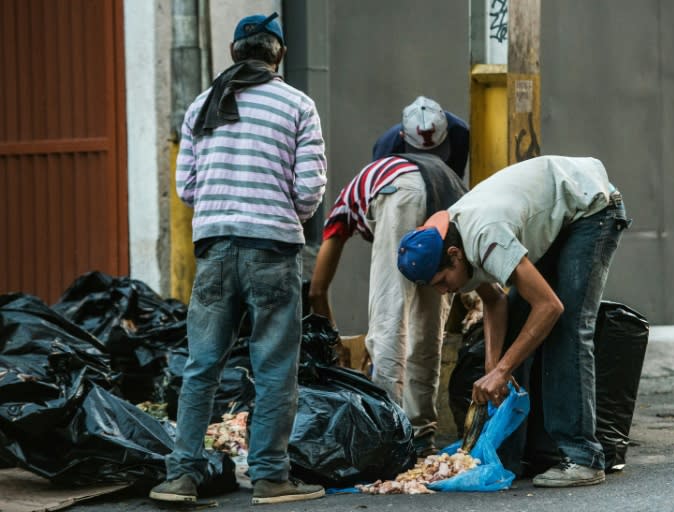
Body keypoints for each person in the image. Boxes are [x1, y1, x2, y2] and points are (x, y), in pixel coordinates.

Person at [149, 13, 327, 505]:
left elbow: (187, 188)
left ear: (234, 53)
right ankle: (270, 478)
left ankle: (182, 476)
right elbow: (309, 189)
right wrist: (276, 211)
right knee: (273, 368)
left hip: (213, 248)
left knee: (201, 365)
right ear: (280, 55)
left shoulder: (202, 105)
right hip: (272, 249)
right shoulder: (297, 104)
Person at [397, 155, 630, 487]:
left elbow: (550, 307)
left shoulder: (484, 236)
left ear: (453, 256)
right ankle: (509, 457)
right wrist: (494, 364)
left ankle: (583, 457)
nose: (443, 291)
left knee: (565, 330)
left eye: (441, 281)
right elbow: (495, 303)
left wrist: (503, 370)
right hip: (558, 215)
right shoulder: (454, 239)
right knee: (518, 338)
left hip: (591, 208)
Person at [308, 151, 466, 457]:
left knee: (389, 315)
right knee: (428, 326)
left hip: (401, 192)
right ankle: (421, 434)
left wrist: (333, 342)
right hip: (451, 192)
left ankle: (387, 435)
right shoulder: (408, 170)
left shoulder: (345, 204)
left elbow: (316, 290)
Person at [372, 96, 470, 179]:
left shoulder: (459, 134)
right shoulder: (386, 147)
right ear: (402, 136)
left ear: (447, 130)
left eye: (435, 150)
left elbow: (456, 178)